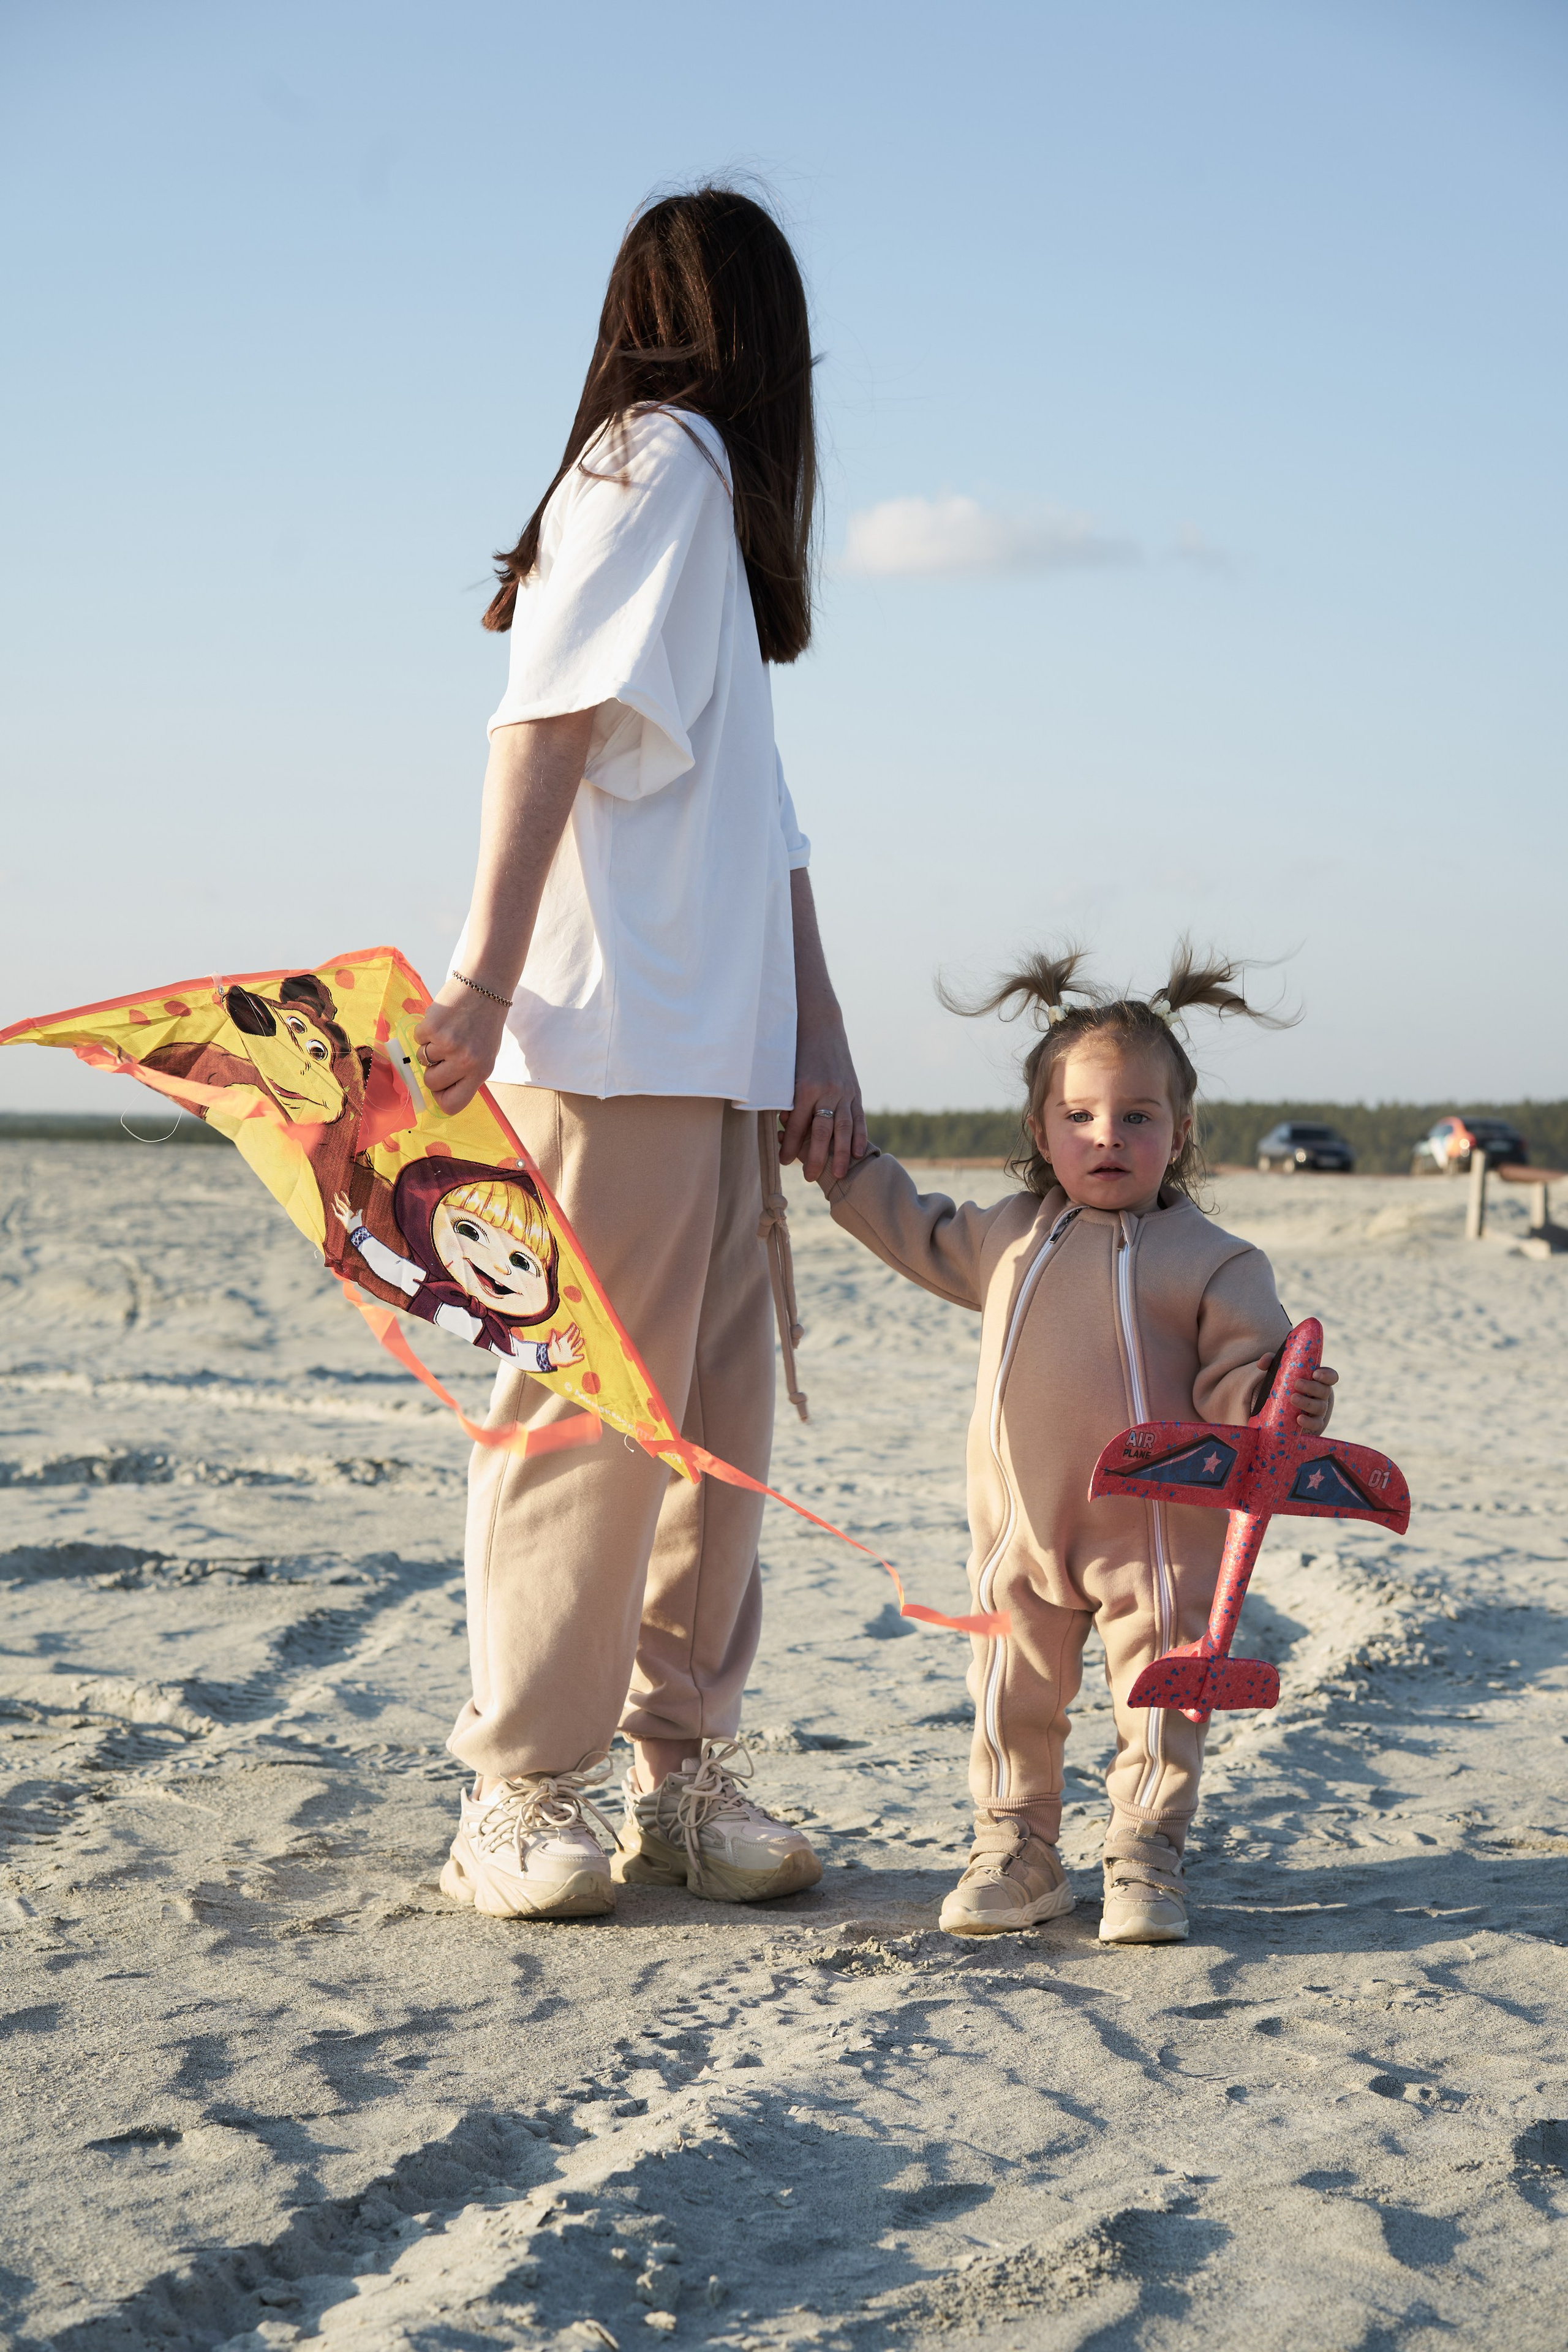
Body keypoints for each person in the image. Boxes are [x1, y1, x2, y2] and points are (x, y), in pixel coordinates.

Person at [412, 187, 867, 1921]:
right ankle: (519, 1791)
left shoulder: (707, 519)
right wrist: (479, 977)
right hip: (606, 1041)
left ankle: (679, 1777)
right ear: (750, 330)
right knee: (581, 1425)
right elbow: (538, 728)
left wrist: (812, 1030)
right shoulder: (654, 456)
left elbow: (770, 828)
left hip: (716, 1056)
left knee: (715, 1444)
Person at [815, 946, 1337, 1945]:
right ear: (1042, 1131)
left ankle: (1145, 1849)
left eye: (1138, 1117)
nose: (1109, 1136)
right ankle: (1018, 1847)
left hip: (1158, 1541)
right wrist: (842, 1164)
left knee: (1162, 1693)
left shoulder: (1219, 1261)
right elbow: (909, 1227)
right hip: (1020, 1532)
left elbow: (1244, 1388)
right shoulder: (1008, 1236)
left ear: (1180, 1134)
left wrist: (1283, 1398)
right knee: (1012, 1689)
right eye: (1082, 1117)